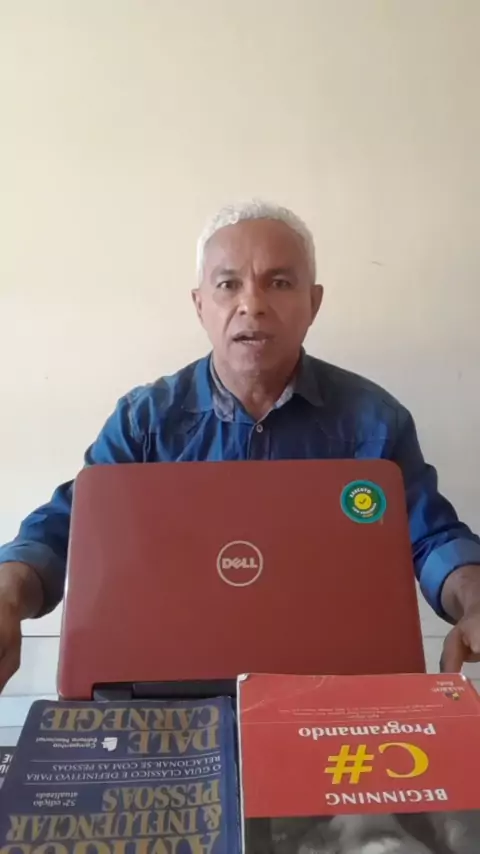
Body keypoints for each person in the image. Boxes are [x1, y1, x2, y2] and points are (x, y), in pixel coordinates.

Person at [0, 199, 479, 689]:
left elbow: (431, 538)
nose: (252, 304)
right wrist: (8, 595)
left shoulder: (373, 421)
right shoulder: (144, 422)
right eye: (228, 284)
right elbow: (71, 529)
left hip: (330, 688)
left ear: (313, 303)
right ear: (200, 305)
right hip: (169, 687)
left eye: (279, 282)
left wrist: (474, 602)